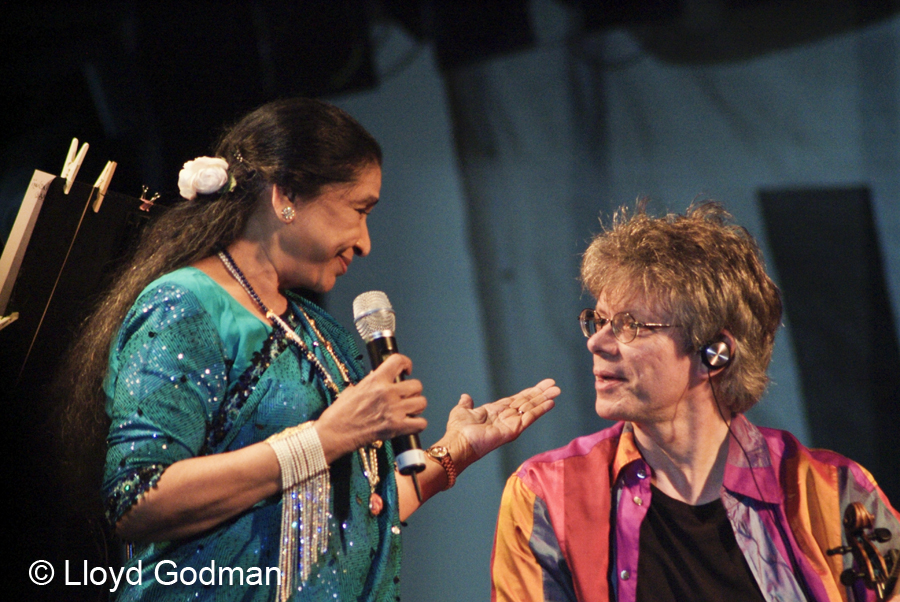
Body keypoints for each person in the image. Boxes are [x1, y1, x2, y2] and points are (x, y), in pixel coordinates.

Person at [62, 97, 559, 601]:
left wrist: (454, 452)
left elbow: (349, 523)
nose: (365, 243)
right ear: (288, 195)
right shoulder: (184, 308)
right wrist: (324, 439)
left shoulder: (314, 329)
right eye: (359, 210)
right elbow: (137, 500)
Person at [490, 202, 900, 602]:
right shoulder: (549, 495)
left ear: (714, 353)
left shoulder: (834, 492)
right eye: (598, 321)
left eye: (628, 325)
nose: (597, 342)